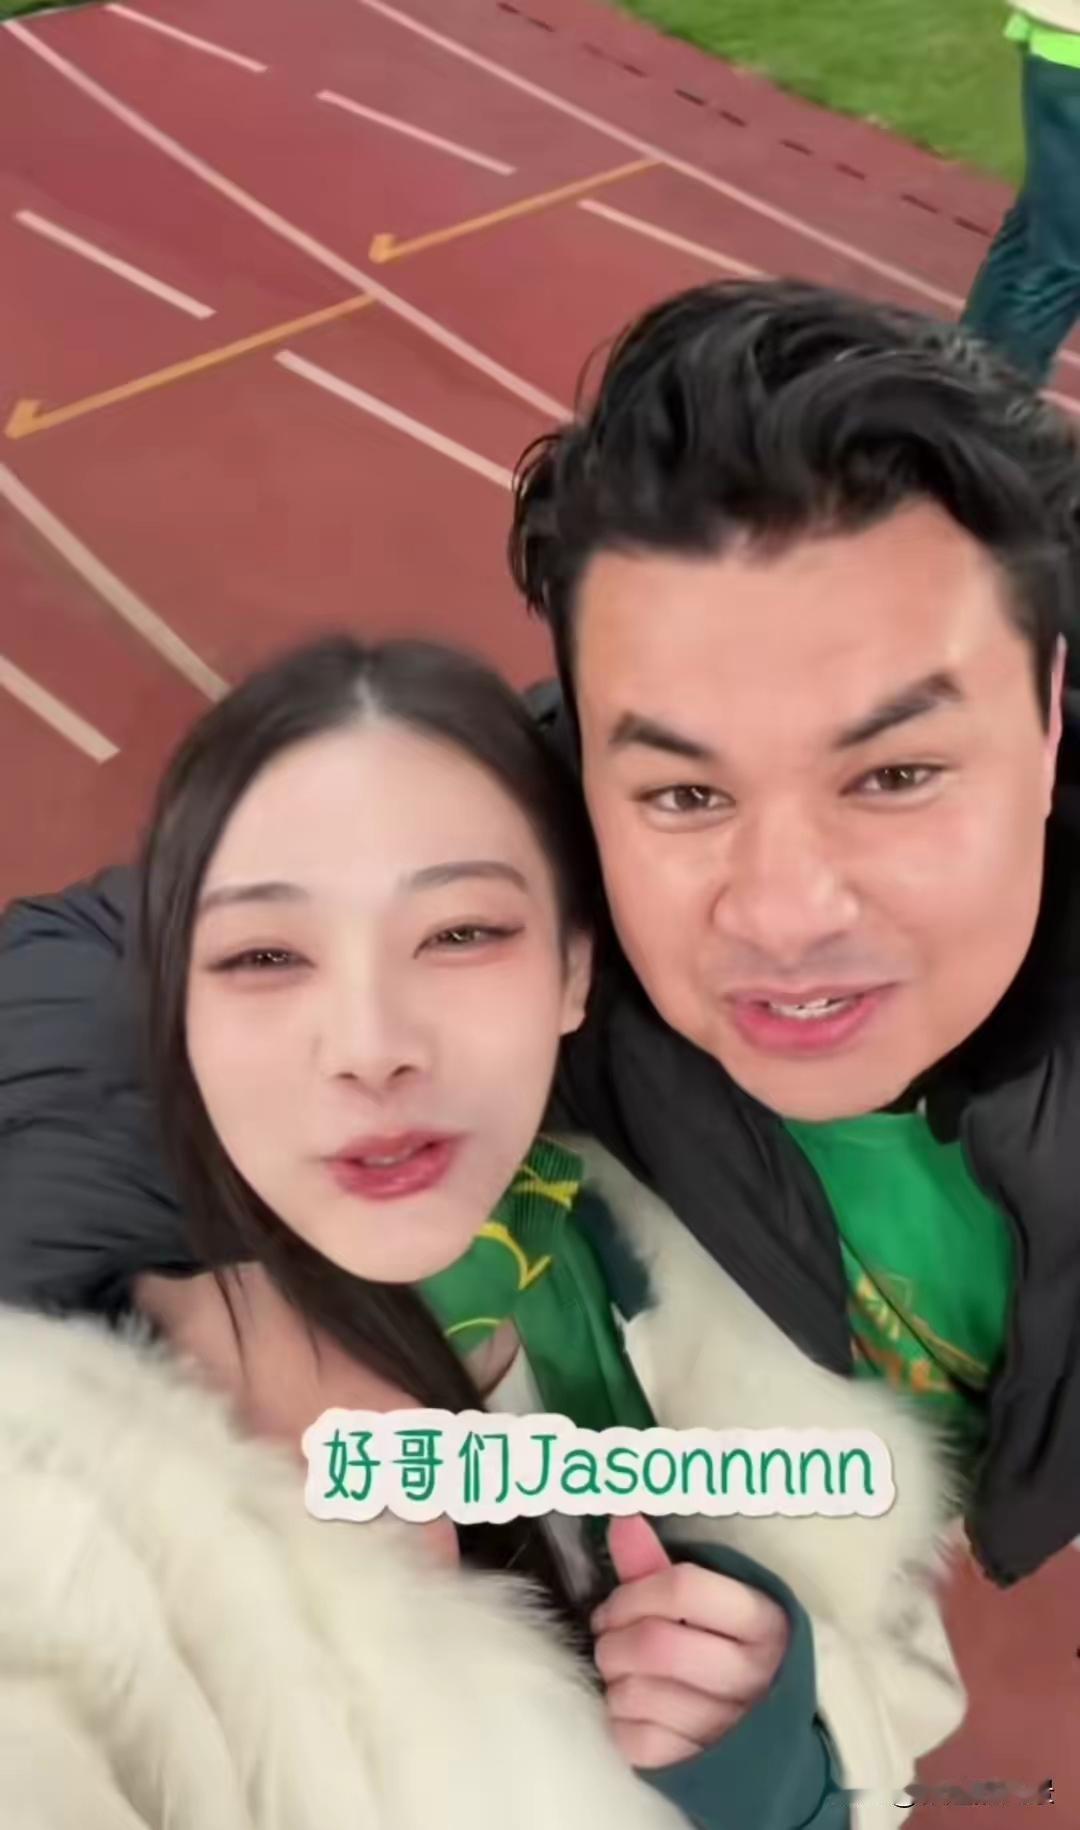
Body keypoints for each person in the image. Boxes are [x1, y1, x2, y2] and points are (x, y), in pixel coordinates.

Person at [5, 277, 1075, 1591]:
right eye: (685, 793)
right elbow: (94, 968)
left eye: (896, 775)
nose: (785, 912)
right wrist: (158, 1312)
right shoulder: (538, 869)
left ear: (1049, 712)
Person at [0, 633, 964, 1828]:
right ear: (173, 1012)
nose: (373, 1045)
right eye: (266, 955)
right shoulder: (58, 1533)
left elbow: (899, 1706)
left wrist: (761, 1757)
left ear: (572, 974)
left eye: (461, 933)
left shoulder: (730, 1253)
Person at [962, 2, 1080, 384]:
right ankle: (1004, 402)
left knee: (1031, 235)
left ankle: (958, 371)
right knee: (1065, 263)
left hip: (1058, 43)